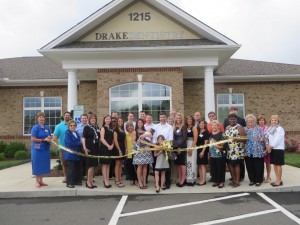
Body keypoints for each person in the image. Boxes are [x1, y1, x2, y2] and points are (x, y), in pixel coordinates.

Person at [223, 106, 246, 182]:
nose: (232, 120)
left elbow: (245, 139)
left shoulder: (239, 127)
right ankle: (233, 179)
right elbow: (226, 137)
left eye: (233, 119)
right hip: (229, 150)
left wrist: (237, 139)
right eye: (230, 119)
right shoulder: (227, 128)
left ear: (236, 120)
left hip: (237, 150)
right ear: (228, 120)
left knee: (236, 165)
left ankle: (237, 181)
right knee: (230, 165)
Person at [153, 112, 174, 189]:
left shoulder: (169, 127)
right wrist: (158, 146)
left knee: (166, 167)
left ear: (166, 118)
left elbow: (170, 138)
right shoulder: (156, 126)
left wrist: (166, 146)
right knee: (157, 167)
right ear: (159, 118)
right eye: (161, 117)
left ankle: (167, 183)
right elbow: (155, 137)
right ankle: (157, 184)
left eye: (164, 117)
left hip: (166, 148)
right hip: (157, 147)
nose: (162, 118)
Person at [31, 112, 52, 188]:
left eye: (42, 117)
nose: (41, 118)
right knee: (37, 165)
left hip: (45, 149)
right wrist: (44, 140)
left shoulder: (47, 127)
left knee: (43, 165)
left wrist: (49, 138)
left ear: (44, 119)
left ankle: (41, 181)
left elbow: (49, 136)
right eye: (40, 117)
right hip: (37, 150)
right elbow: (33, 139)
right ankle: (37, 181)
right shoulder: (35, 128)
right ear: (37, 119)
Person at [244, 114, 265, 186]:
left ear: (254, 121)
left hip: (257, 151)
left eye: (251, 120)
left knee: (258, 166)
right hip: (247, 151)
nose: (250, 122)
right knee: (249, 166)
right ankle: (252, 180)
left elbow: (264, 137)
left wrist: (262, 138)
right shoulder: (244, 129)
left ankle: (259, 180)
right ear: (246, 121)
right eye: (248, 120)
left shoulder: (258, 128)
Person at [133, 119, 154, 189]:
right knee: (139, 166)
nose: (140, 123)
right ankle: (140, 181)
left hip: (146, 151)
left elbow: (151, 137)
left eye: (141, 122)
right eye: (138, 122)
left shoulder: (145, 132)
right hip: (139, 151)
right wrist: (140, 142)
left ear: (143, 124)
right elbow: (133, 142)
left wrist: (144, 136)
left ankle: (144, 181)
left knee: (145, 166)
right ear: (137, 123)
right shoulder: (134, 131)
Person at [265, 115, 285, 187]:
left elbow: (277, 139)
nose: (274, 121)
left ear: (278, 121)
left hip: (278, 149)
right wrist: (267, 145)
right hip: (272, 148)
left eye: (275, 120)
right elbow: (267, 137)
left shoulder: (279, 129)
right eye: (272, 120)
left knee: (278, 165)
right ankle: (277, 179)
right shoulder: (270, 129)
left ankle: (279, 181)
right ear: (270, 121)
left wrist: (270, 146)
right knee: (274, 164)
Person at [82, 114, 100, 189]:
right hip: (89, 148)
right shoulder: (87, 127)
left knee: (94, 166)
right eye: (91, 118)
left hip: (95, 148)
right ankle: (88, 182)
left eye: (94, 118)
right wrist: (84, 148)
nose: (93, 119)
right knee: (90, 166)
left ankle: (91, 181)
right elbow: (83, 138)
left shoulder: (97, 127)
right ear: (89, 119)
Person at [53, 111, 71, 183]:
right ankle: (65, 177)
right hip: (62, 148)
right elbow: (55, 136)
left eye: (68, 115)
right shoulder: (58, 126)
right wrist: (51, 140)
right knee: (64, 164)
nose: (67, 116)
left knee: (72, 163)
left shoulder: (73, 125)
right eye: (66, 115)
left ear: (70, 116)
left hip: (72, 149)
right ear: (63, 116)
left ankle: (72, 176)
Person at [64, 120, 82, 188]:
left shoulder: (76, 133)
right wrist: (78, 143)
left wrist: (78, 143)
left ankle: (76, 181)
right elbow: (69, 143)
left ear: (76, 126)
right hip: (70, 154)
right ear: (69, 126)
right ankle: (69, 183)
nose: (72, 127)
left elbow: (77, 141)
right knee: (70, 169)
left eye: (74, 125)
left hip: (77, 153)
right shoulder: (67, 133)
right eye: (71, 125)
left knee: (77, 168)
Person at [209, 120, 227, 188]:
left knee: (221, 168)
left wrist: (218, 146)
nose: (213, 126)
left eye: (215, 125)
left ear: (218, 126)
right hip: (212, 154)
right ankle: (216, 180)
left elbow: (225, 144)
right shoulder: (210, 134)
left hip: (220, 154)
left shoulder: (222, 134)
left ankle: (221, 182)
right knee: (214, 168)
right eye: (212, 125)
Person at [99, 115, 114, 188]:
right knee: (104, 165)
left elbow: (113, 138)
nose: (108, 120)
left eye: (109, 119)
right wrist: (108, 146)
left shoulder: (111, 128)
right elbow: (102, 139)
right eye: (106, 119)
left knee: (108, 165)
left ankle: (107, 179)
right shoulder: (103, 128)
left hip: (110, 148)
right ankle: (105, 180)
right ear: (104, 120)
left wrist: (112, 145)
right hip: (104, 148)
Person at [173, 113, 187, 187]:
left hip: (182, 147)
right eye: (177, 118)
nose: (178, 119)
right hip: (175, 147)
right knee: (178, 164)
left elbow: (184, 138)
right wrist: (175, 146)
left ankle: (183, 179)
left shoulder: (183, 127)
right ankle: (180, 178)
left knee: (182, 163)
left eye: (179, 118)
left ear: (181, 119)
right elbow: (173, 138)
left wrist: (179, 147)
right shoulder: (174, 127)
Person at [257, 114, 271, 183]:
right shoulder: (256, 128)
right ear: (258, 121)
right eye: (259, 120)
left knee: (267, 163)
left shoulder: (268, 128)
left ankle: (268, 176)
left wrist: (264, 139)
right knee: (260, 163)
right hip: (259, 149)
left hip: (266, 147)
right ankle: (261, 176)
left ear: (264, 121)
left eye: (262, 120)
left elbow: (270, 138)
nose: (261, 121)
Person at [113, 117, 126, 187]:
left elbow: (124, 140)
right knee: (117, 164)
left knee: (121, 164)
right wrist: (119, 150)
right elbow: (115, 141)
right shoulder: (115, 130)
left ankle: (120, 178)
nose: (120, 122)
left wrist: (125, 149)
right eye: (119, 121)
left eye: (121, 121)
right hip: (117, 148)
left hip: (123, 147)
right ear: (117, 122)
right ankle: (117, 180)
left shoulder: (123, 130)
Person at [185, 115, 198, 185]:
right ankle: (187, 178)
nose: (189, 120)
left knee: (192, 162)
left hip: (192, 145)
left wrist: (191, 148)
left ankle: (192, 179)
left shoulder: (194, 128)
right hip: (186, 145)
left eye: (190, 119)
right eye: (187, 119)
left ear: (192, 120)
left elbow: (195, 139)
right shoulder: (186, 128)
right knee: (187, 162)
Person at [196, 120, 210, 186]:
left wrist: (203, 152)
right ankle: (201, 179)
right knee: (199, 165)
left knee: (202, 165)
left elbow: (206, 143)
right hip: (198, 149)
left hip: (203, 150)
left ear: (204, 124)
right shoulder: (198, 131)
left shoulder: (206, 132)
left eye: (202, 123)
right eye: (200, 123)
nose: (201, 124)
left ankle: (204, 180)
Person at [76, 113, 88, 180]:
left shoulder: (90, 126)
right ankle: (81, 176)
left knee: (88, 162)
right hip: (80, 146)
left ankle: (88, 176)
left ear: (87, 119)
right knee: (81, 162)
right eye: (83, 118)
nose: (84, 119)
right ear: (80, 119)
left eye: (85, 118)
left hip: (88, 147)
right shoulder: (77, 127)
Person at [125, 122, 137, 186]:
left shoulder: (134, 132)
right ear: (126, 128)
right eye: (128, 126)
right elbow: (126, 143)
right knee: (130, 166)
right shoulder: (126, 134)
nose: (130, 127)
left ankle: (136, 179)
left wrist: (132, 133)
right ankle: (132, 179)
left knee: (136, 166)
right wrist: (126, 150)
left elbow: (133, 140)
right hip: (129, 152)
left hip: (134, 151)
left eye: (131, 126)